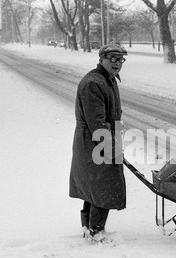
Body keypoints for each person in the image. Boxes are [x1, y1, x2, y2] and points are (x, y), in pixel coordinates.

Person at [69, 43, 128, 244]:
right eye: (113, 58)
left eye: (121, 59)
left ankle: (89, 228)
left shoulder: (107, 79)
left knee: (93, 186)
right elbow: (97, 123)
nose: (117, 63)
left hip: (100, 141)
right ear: (101, 58)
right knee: (103, 186)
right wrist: (111, 148)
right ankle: (96, 232)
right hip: (95, 143)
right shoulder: (94, 83)